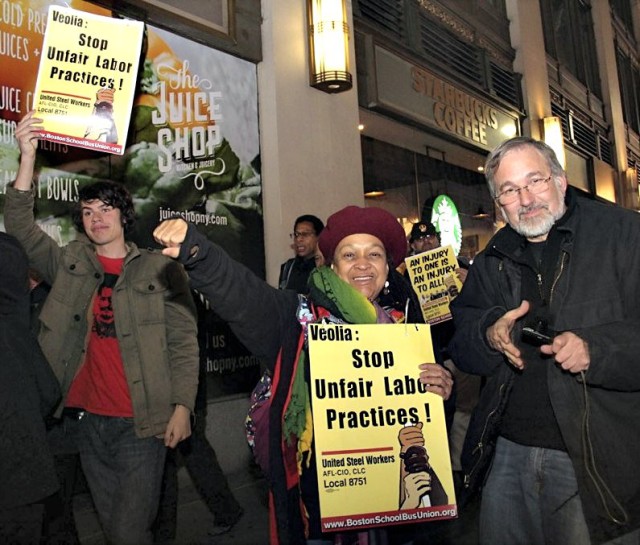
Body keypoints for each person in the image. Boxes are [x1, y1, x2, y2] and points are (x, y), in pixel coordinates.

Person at [152, 205, 453, 544]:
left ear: (387, 267)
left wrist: (440, 388)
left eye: (374, 254)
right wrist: (198, 251)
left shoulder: (402, 329)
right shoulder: (296, 318)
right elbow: (245, 295)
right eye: (349, 254)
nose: (363, 264)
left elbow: (423, 422)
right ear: (331, 265)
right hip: (319, 509)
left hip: (393, 509)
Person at [7, 111, 200, 545]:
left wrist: (183, 406)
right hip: (87, 421)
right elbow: (19, 227)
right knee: (115, 528)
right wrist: (27, 155)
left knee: (129, 530)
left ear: (125, 215)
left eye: (106, 209)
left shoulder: (162, 268)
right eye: (88, 211)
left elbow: (184, 343)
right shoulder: (70, 263)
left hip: (142, 422)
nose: (96, 218)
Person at [448, 136, 640, 545]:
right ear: (499, 204)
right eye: (510, 190)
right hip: (507, 454)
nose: (526, 198)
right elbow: (461, 345)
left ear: (561, 180)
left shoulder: (624, 235)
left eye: (535, 181)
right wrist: (488, 333)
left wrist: (596, 350)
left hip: (597, 459)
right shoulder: (492, 259)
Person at [153, 291, 244, 542]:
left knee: (188, 457)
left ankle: (225, 511)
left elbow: (186, 349)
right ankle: (226, 511)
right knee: (187, 457)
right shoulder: (180, 293)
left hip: (184, 394)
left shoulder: (179, 295)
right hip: (182, 392)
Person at [0, 233, 60, 544]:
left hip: (19, 481)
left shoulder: (10, 325)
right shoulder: (14, 328)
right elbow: (48, 392)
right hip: (24, 477)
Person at [278, 214, 324, 293]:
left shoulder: (327, 267)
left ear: (319, 237)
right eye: (296, 234)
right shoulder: (288, 267)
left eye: (305, 234)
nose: (299, 239)